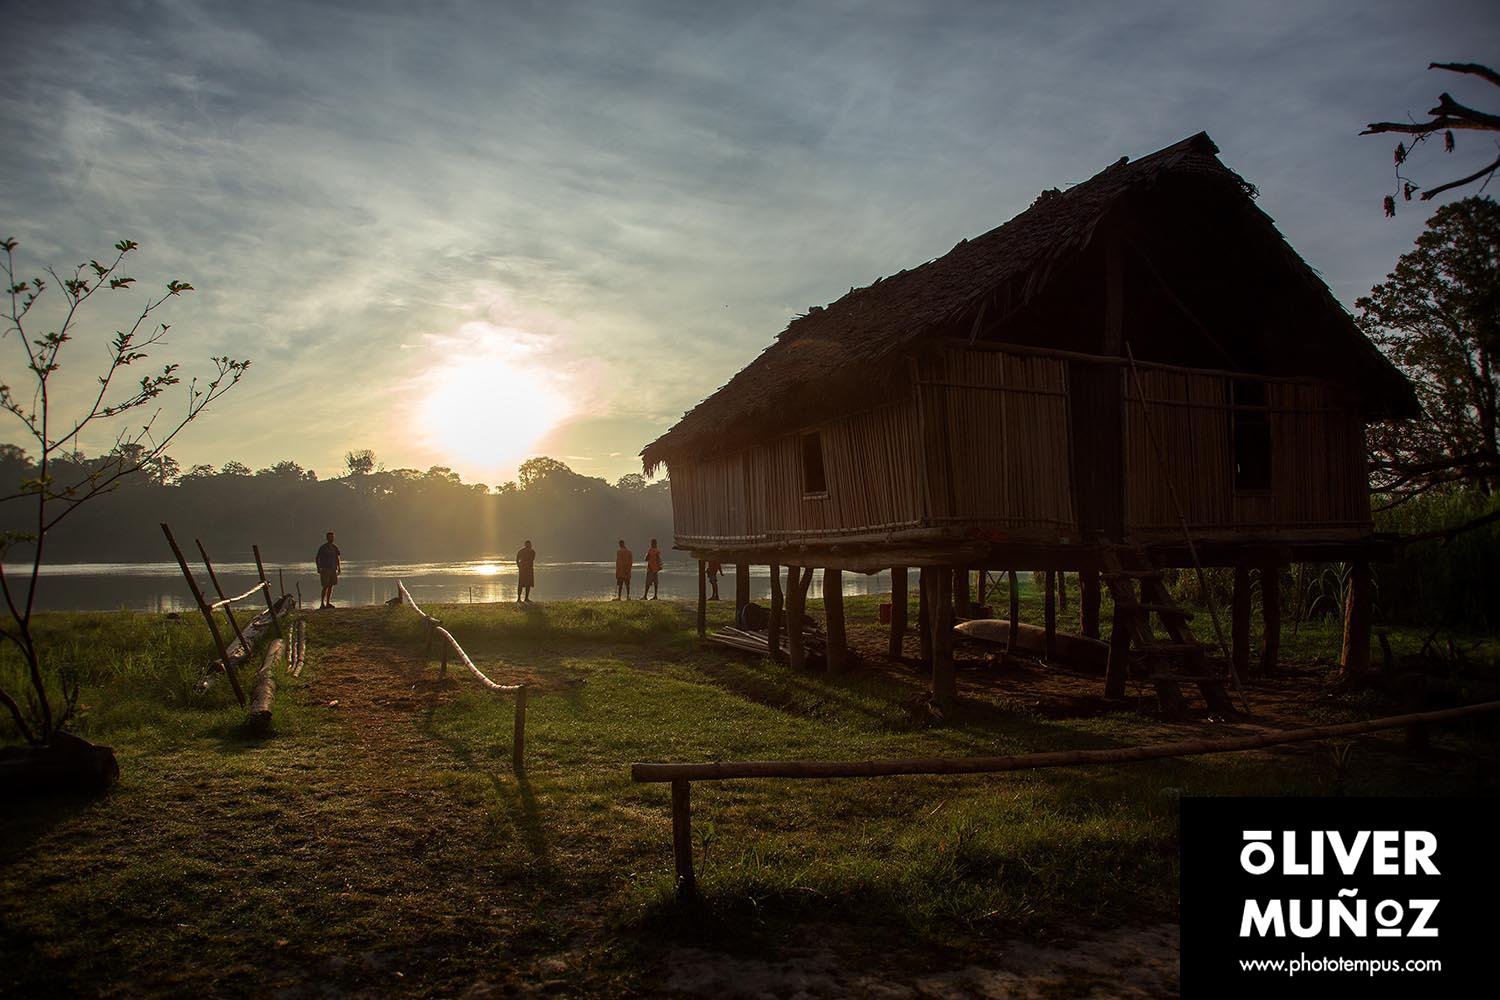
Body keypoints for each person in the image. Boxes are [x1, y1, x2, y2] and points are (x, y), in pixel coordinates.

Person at [315, 531, 341, 609]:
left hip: (333, 569)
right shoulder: (323, 547)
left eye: (333, 537)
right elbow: (317, 558)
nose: (332, 538)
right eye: (330, 537)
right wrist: (318, 568)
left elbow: (338, 557)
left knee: (330, 586)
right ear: (327, 538)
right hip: (325, 569)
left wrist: (339, 567)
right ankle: (322, 603)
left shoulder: (334, 547)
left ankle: (328, 603)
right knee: (325, 586)